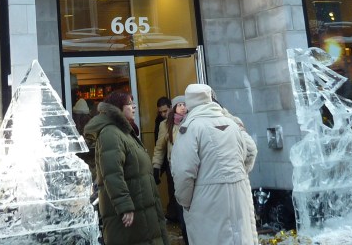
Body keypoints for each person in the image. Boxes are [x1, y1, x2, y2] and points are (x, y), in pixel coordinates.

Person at [170, 84, 257, 245]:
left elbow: (183, 171)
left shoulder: (190, 128)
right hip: (239, 196)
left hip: (206, 201)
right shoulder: (232, 124)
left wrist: (185, 202)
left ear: (190, 102)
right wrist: (236, 177)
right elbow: (250, 152)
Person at [83, 90, 169, 245]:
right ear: (117, 108)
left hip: (141, 210)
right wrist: (124, 206)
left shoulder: (124, 132)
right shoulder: (110, 133)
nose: (134, 107)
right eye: (129, 104)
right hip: (131, 216)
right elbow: (112, 173)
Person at [152, 95, 187, 241]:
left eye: (184, 105)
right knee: (179, 201)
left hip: (193, 169)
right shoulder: (165, 125)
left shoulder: (193, 120)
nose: (182, 107)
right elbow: (160, 148)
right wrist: (156, 166)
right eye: (179, 105)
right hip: (175, 170)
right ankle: (185, 232)